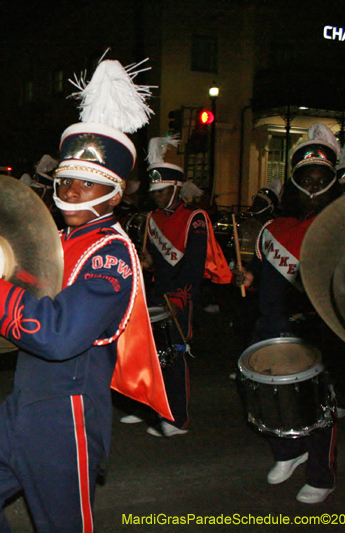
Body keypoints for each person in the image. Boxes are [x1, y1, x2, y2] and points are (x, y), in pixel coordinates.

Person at [0, 56, 171, 532]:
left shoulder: (112, 254)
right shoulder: (58, 240)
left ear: (114, 194)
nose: (72, 190)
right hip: (24, 403)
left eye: (88, 183)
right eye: (67, 180)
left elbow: (57, 334)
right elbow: (25, 287)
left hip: (65, 417)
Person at [234, 123, 342, 504]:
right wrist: (248, 277)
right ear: (294, 182)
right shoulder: (272, 228)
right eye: (306, 178)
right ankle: (287, 451)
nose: (313, 186)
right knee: (262, 391)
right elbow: (261, 275)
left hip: (314, 331)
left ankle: (321, 474)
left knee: (318, 404)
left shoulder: (337, 230)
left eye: (321, 179)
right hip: (270, 326)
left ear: (331, 184)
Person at [125, 135, 231, 437]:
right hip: (156, 292)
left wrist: (179, 299)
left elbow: (194, 266)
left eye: (162, 191)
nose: (157, 197)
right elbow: (155, 262)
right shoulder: (152, 219)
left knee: (174, 355)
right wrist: (148, 264)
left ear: (175, 188)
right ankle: (149, 407)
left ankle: (177, 418)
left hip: (181, 296)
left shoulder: (195, 218)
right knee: (148, 353)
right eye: (154, 192)